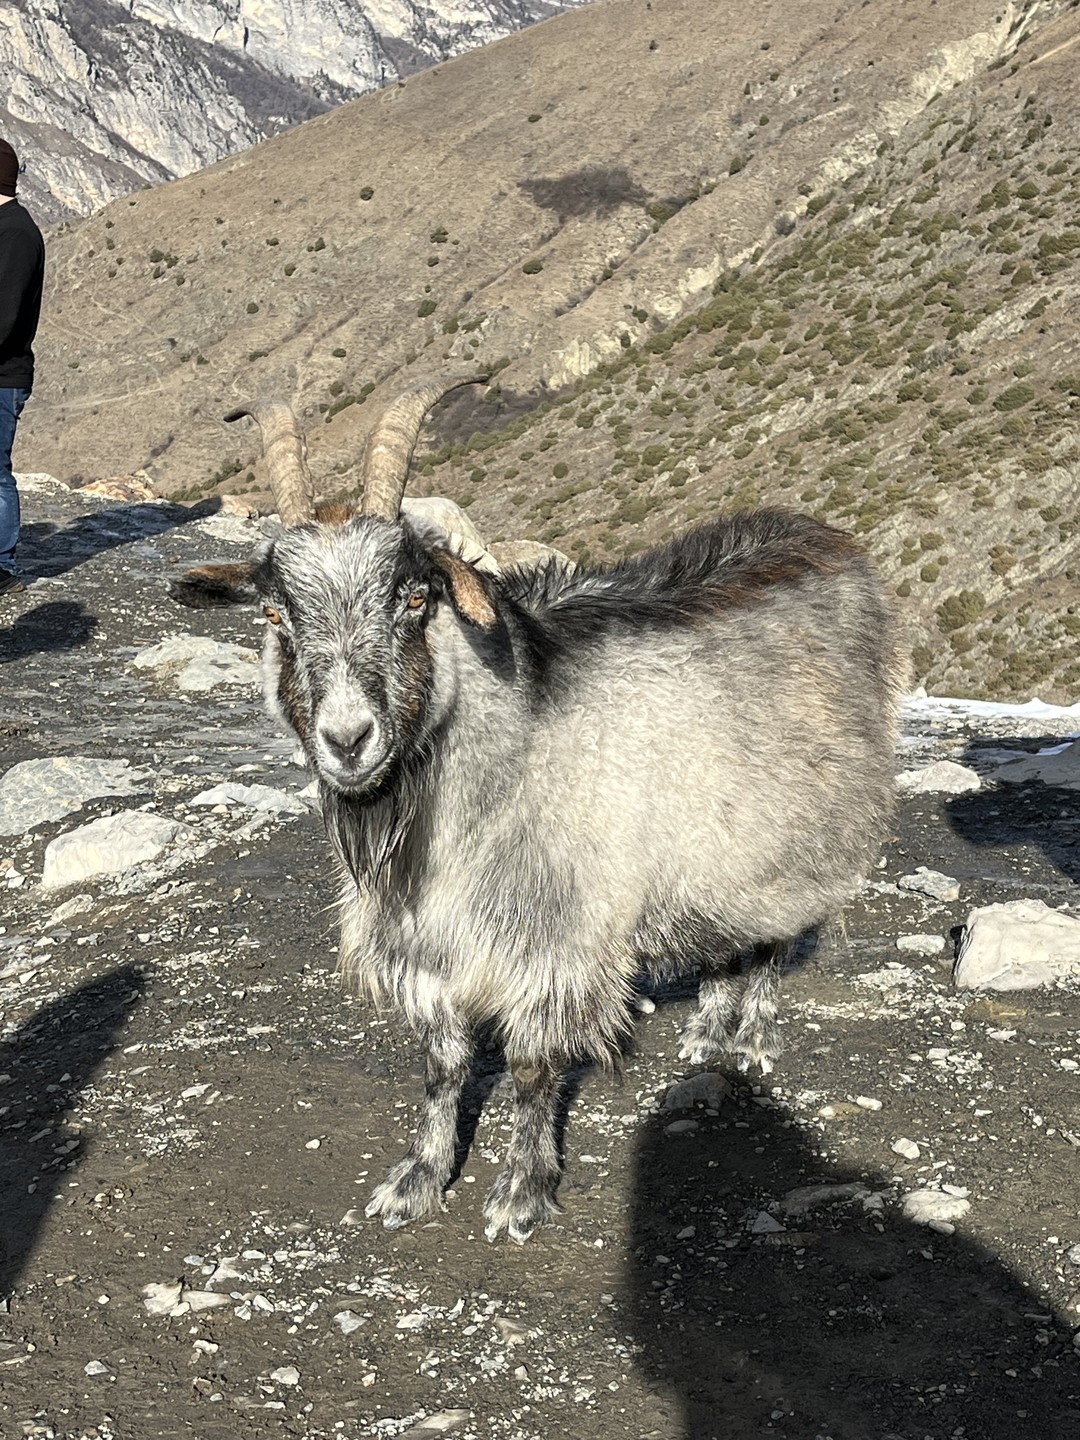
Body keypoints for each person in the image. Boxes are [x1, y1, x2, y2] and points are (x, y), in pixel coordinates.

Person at [0, 138, 45, 597]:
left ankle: (3, 566)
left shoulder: (15, 234)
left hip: (2, 376)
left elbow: (4, 317)